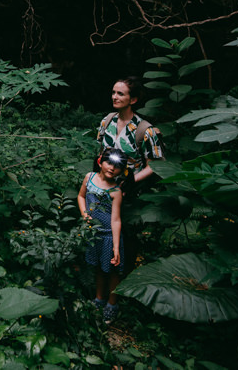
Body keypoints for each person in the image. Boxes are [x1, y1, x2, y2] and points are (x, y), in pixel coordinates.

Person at [77, 149, 127, 323]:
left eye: (118, 166)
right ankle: (99, 299)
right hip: (94, 233)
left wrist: (115, 246)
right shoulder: (89, 178)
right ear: (100, 161)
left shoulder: (116, 191)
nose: (112, 168)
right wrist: (85, 215)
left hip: (108, 236)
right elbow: (81, 196)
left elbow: (115, 220)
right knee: (99, 267)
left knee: (113, 271)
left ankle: (112, 304)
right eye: (109, 163)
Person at [96, 77, 163, 196]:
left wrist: (131, 181)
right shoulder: (107, 121)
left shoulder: (145, 130)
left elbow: (153, 166)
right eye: (113, 92)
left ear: (133, 100)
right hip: (104, 190)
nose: (114, 97)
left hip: (132, 192)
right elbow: (101, 155)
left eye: (120, 94)